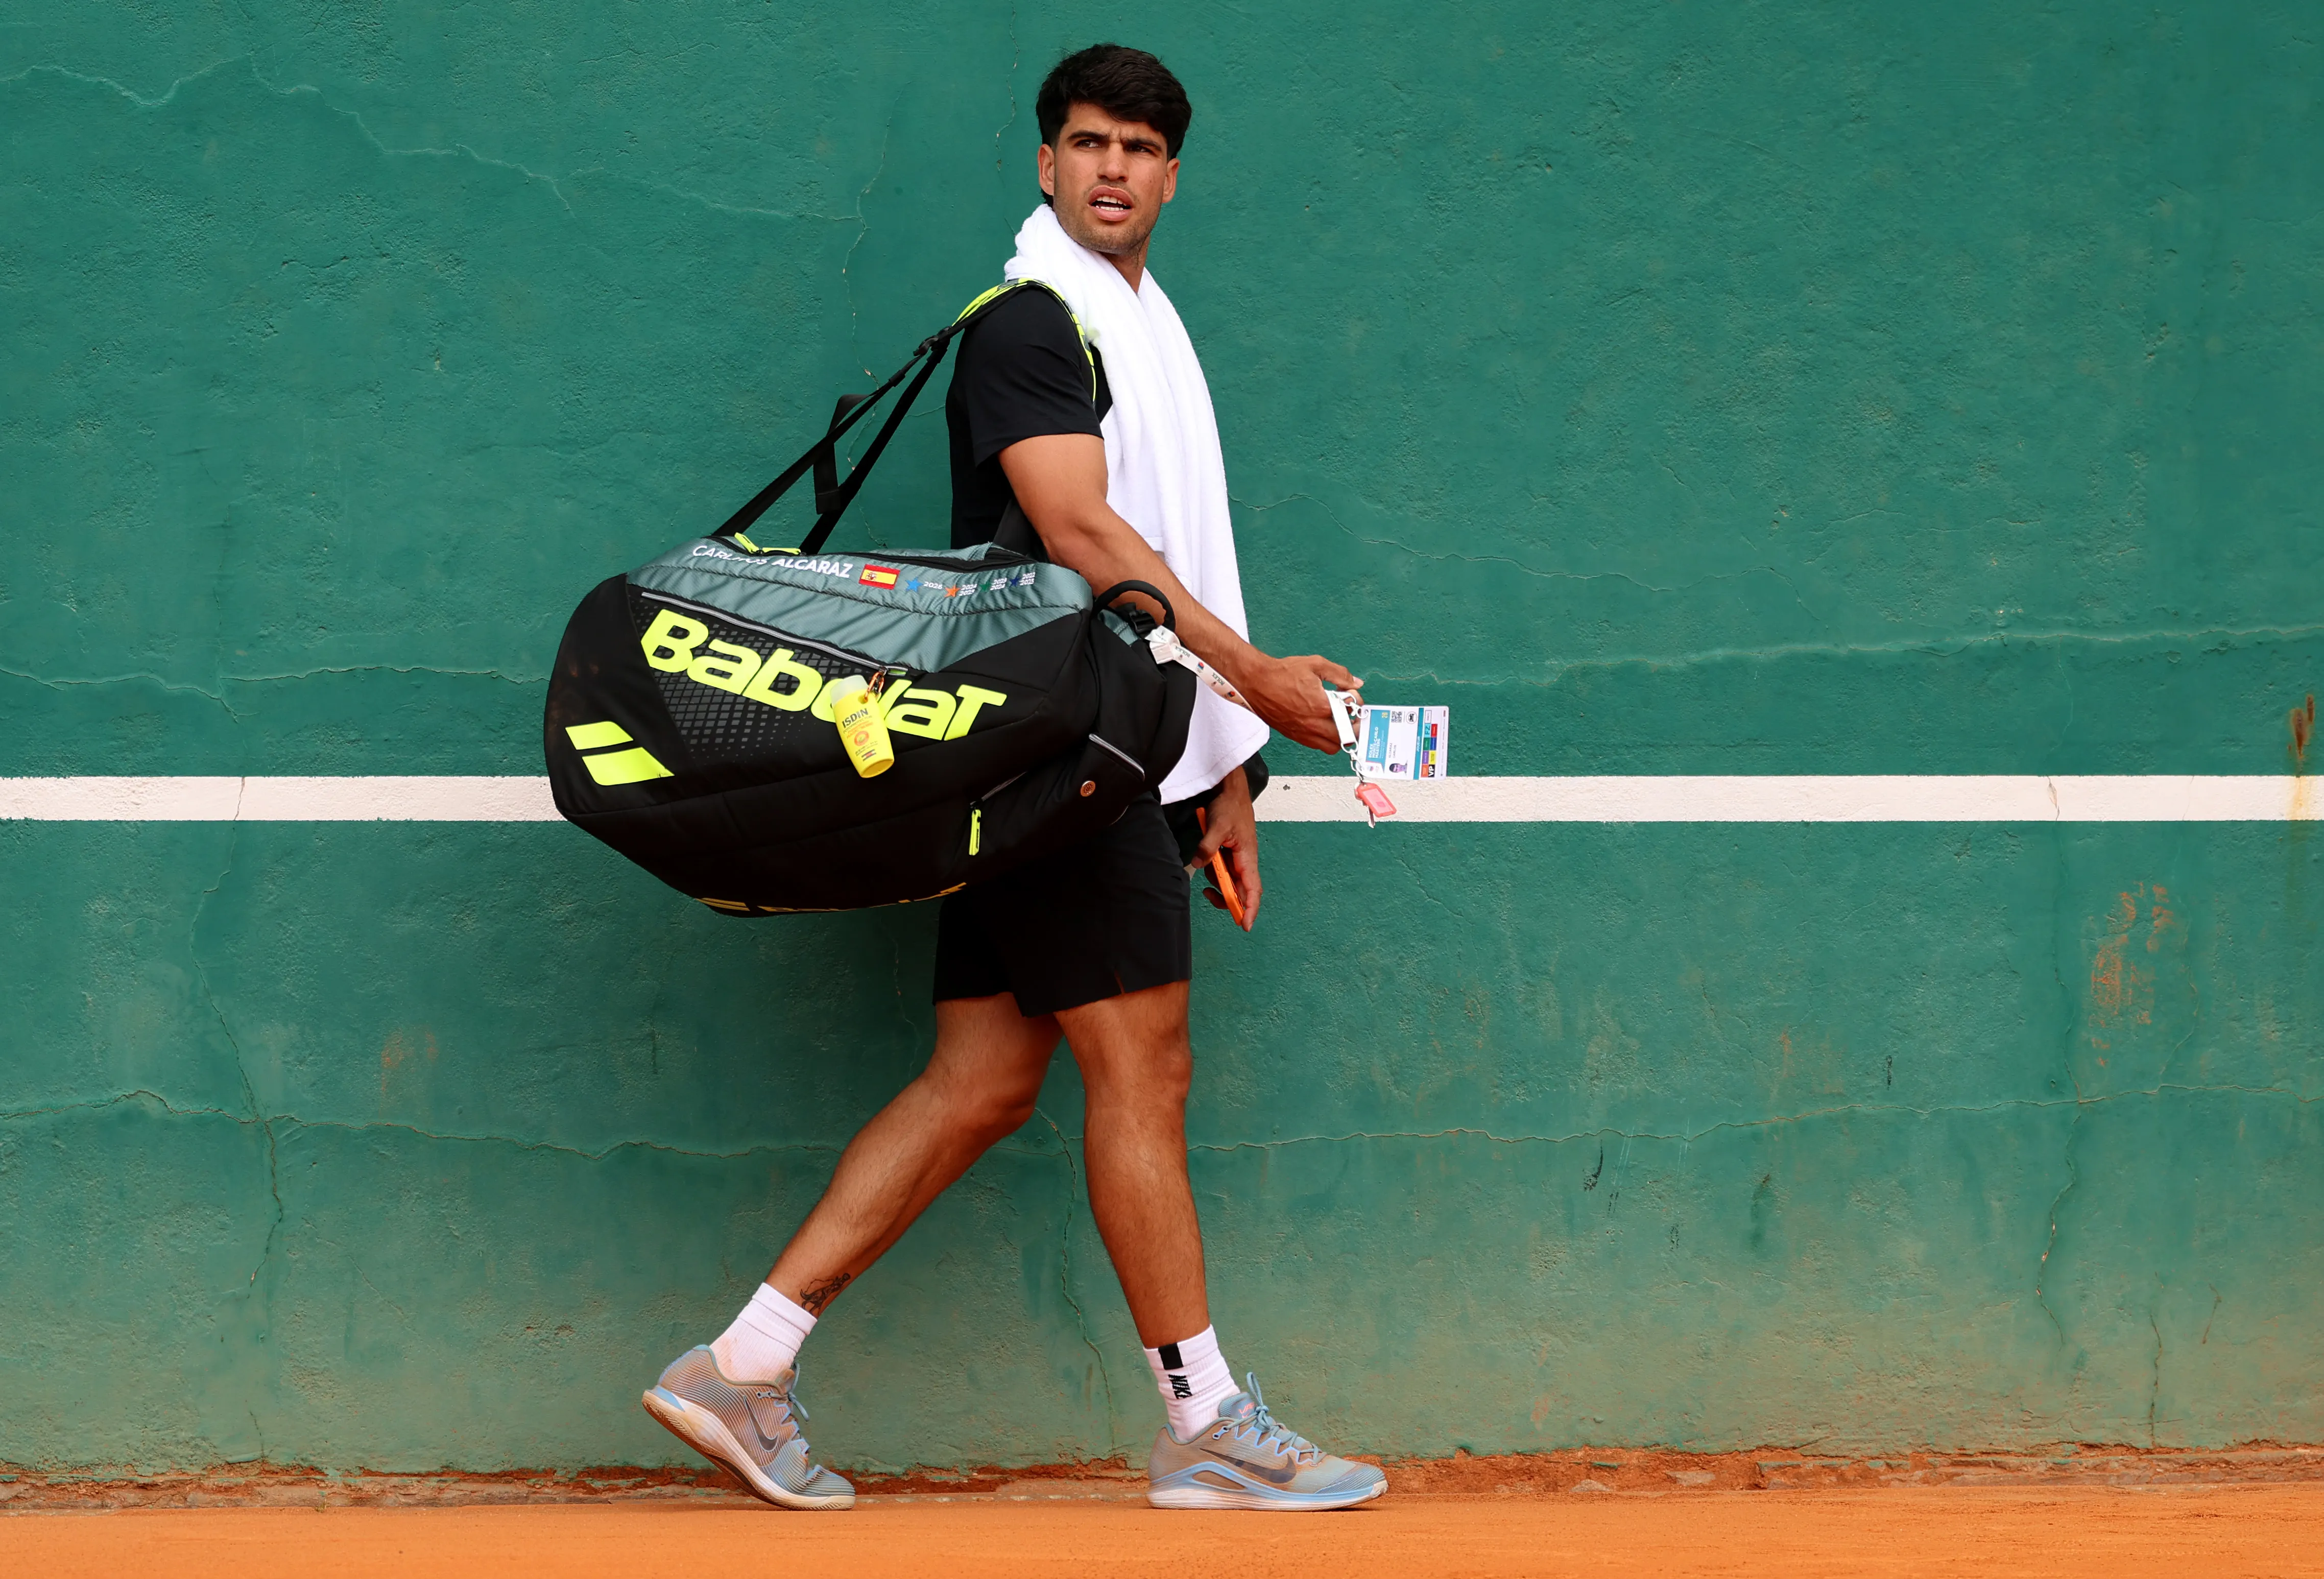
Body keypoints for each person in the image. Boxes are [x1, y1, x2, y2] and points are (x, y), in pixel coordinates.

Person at [640, 43, 1385, 1514]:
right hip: (1066, 757)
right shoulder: (1033, 329)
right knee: (1142, 1064)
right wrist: (1254, 683)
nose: (1113, 167)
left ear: (1173, 174)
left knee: (982, 1079)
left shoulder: (1135, 322)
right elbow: (1083, 531)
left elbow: (1166, 532)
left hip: (1096, 750)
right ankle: (1206, 1420)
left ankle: (742, 1363)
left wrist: (1219, 773)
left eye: (1141, 148)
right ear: (1046, 163)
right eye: (1087, 142)